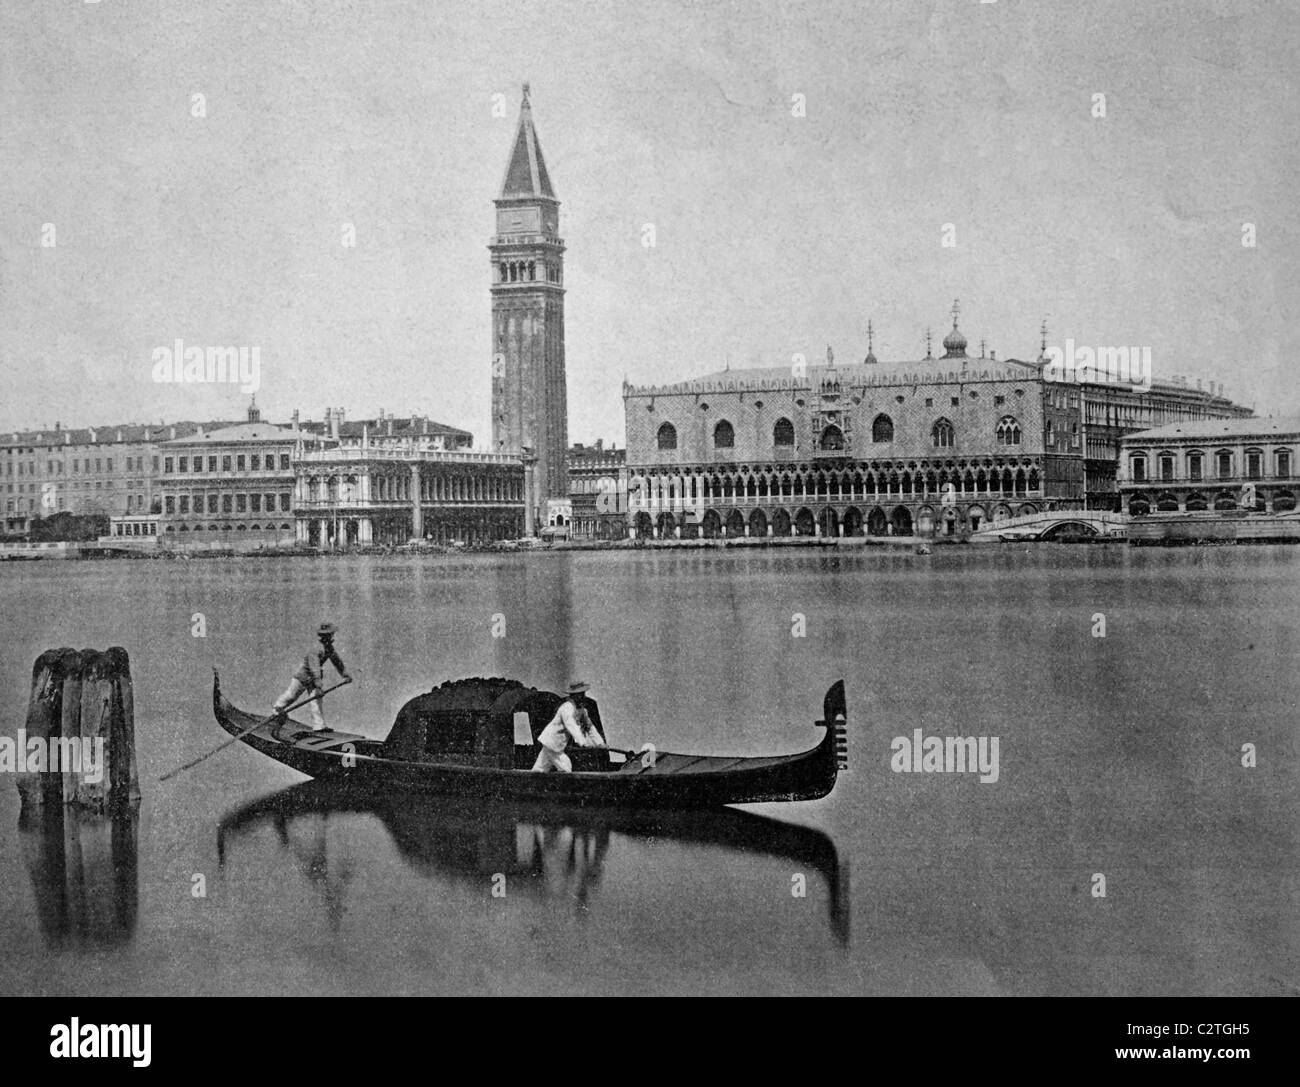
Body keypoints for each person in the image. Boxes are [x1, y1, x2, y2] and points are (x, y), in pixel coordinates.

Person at [272, 622, 350, 732]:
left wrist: (345, 674)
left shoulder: (329, 648)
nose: (330, 636)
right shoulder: (316, 649)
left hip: (313, 679)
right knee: (291, 696)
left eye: (330, 634)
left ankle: (319, 726)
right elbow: (315, 667)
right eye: (327, 635)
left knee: (316, 700)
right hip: (302, 677)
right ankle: (277, 709)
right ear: (322, 636)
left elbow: (337, 661)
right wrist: (318, 682)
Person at [531, 680, 607, 772]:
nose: (583, 697)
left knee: (539, 769)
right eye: (581, 694)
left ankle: (528, 783)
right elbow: (572, 726)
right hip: (553, 743)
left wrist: (600, 743)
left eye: (583, 694)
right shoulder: (566, 708)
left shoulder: (581, 710)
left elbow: (590, 727)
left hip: (552, 744)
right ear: (575, 696)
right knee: (566, 767)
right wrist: (583, 743)